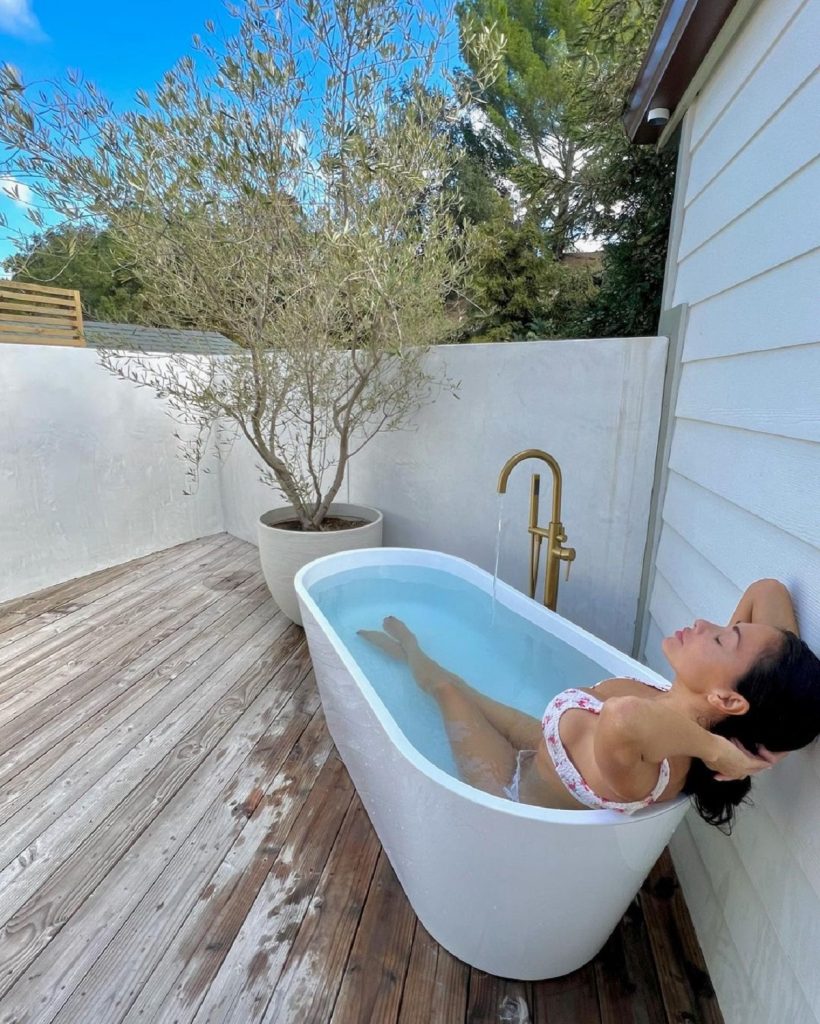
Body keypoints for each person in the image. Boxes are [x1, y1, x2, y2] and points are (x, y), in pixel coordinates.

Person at [358, 579, 820, 830]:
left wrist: (719, 751)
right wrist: (776, 735)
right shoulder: (694, 704)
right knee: (468, 691)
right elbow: (768, 590)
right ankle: (417, 657)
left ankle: (409, 650)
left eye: (720, 639)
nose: (703, 623)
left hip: (510, 787)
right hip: (539, 747)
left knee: (447, 690)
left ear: (727, 699)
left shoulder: (662, 763)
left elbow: (624, 717)